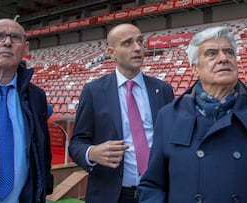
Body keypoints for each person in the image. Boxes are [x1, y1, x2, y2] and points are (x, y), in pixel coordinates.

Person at [138, 26, 247, 203]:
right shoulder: (168, 116)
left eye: (228, 52)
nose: (223, 58)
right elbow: (153, 186)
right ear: (194, 68)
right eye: (211, 53)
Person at [68, 23, 174, 203]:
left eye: (140, 41)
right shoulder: (93, 91)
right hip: (111, 195)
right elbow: (77, 143)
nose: (138, 48)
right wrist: (92, 153)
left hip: (157, 193)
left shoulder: (163, 89)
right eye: (128, 43)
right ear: (112, 52)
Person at [0, 19, 53, 203]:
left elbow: (42, 150)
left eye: (15, 37)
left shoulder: (37, 97)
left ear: (26, 48)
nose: (7, 42)